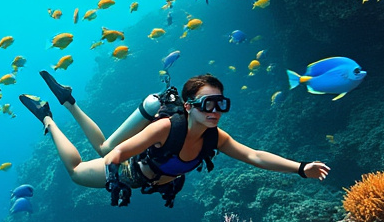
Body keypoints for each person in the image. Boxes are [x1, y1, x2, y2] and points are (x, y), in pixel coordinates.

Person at [19, 71, 329, 207]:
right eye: (208, 104)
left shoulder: (215, 137)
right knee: (77, 172)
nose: (216, 111)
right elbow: (121, 152)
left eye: (221, 103)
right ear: (188, 106)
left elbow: (255, 156)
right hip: (130, 172)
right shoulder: (166, 128)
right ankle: (48, 116)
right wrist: (113, 177)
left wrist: (301, 168)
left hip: (150, 176)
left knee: (103, 146)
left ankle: (68, 100)